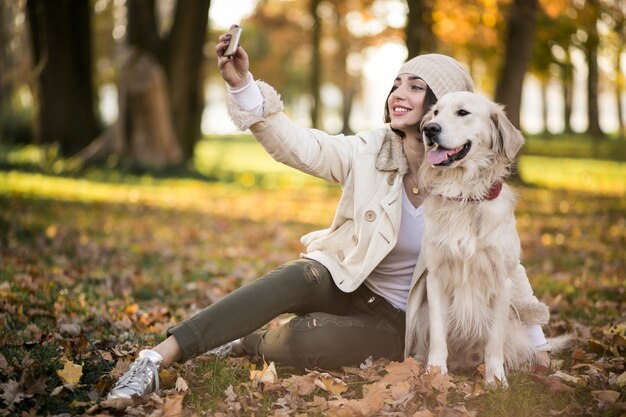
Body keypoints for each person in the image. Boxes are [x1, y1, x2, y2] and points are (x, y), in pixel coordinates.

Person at [107, 30, 551, 400]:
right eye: (397, 83)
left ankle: (247, 341)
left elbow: (505, 260)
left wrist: (535, 342)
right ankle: (154, 359)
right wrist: (244, 86)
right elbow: (301, 146)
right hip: (347, 279)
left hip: (396, 319)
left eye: (417, 87)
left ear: (444, 105)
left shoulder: (465, 184)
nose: (399, 94)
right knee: (290, 278)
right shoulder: (369, 151)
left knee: (309, 338)